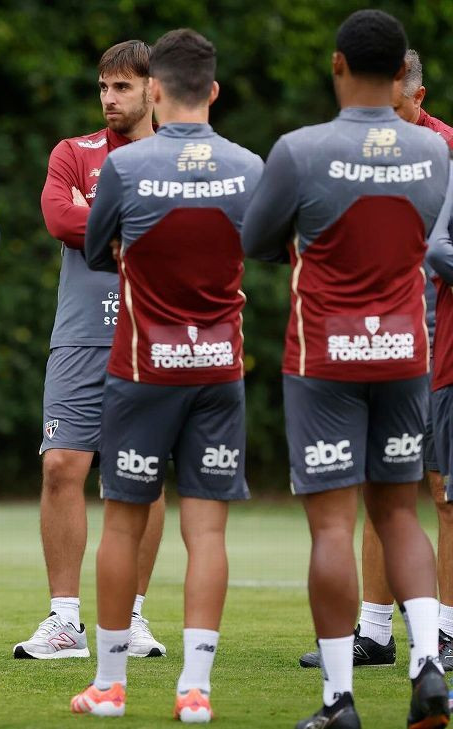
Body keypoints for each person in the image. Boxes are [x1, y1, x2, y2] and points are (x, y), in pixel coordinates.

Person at [243, 10, 451, 728]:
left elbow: (257, 238)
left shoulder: (300, 150)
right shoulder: (436, 153)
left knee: (334, 526)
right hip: (406, 351)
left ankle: (339, 700)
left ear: (336, 64)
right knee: (399, 512)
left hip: (325, 354)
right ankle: (428, 665)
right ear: (401, 75)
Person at [66, 29, 262, 724]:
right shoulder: (249, 166)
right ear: (214, 90)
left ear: (154, 89)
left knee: (122, 525)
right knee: (207, 534)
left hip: (143, 368)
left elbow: (96, 249)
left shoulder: (124, 166)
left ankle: (110, 686)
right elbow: (263, 245)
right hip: (219, 368)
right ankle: (195, 689)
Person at [299, 47, 453, 672]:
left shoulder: (446, 151)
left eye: (393, 107)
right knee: (380, 486)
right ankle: (375, 632)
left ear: (417, 96)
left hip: (438, 343)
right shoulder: (358, 151)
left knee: (443, 492)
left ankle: (445, 631)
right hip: (376, 340)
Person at [18, 39, 167, 661]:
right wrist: (143, 223)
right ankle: (64, 621)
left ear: (153, 89)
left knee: (141, 477)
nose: (109, 98)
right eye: (103, 87)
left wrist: (99, 215)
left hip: (153, 333)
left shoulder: (177, 155)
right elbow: (60, 220)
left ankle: (130, 618)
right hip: (80, 336)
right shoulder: (72, 153)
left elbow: (187, 229)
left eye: (122, 87)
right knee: (61, 466)